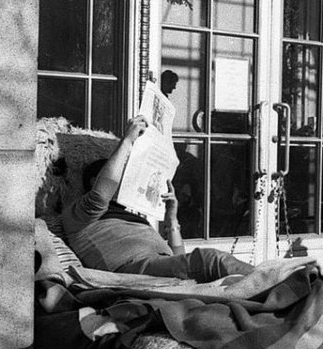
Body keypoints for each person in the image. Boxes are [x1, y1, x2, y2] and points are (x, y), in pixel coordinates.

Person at [63, 115, 257, 282]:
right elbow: (101, 193)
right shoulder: (80, 216)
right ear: (93, 181)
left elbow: (179, 257)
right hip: (133, 272)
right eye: (123, 175)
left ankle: (274, 284)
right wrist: (127, 141)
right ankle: (278, 283)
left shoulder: (131, 216)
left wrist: (172, 219)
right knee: (212, 260)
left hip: (158, 267)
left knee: (210, 267)